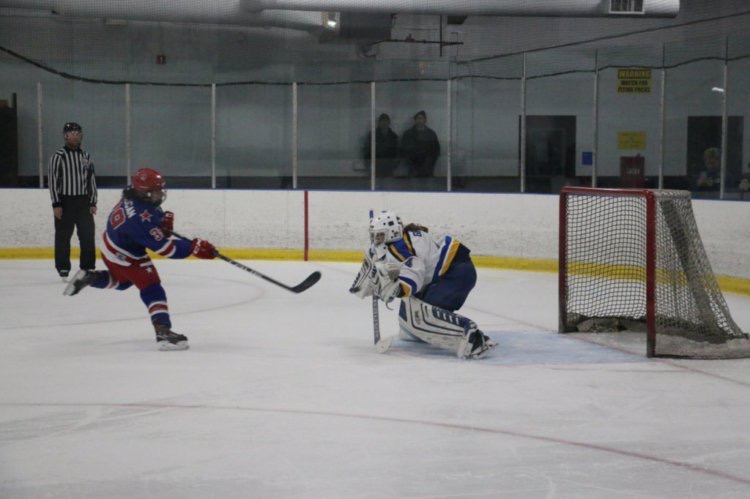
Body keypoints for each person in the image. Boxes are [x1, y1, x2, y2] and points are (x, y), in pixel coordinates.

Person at [62, 167, 218, 351]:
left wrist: (160, 224)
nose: (161, 193)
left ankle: (91, 278)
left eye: (161, 188)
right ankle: (163, 332)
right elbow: (166, 249)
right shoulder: (140, 219)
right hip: (126, 254)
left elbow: (151, 218)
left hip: (111, 246)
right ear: (144, 193)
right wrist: (193, 247)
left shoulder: (133, 196)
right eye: (156, 190)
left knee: (124, 282)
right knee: (152, 288)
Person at [349, 210, 496, 359]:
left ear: (392, 233)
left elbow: (412, 283)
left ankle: (472, 338)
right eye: (374, 235)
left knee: (421, 317)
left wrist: (390, 289)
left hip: (455, 276)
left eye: (380, 235)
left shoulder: (401, 249)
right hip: (455, 272)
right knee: (408, 322)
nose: (376, 239)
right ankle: (423, 332)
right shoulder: (404, 237)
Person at [48, 122, 97, 281]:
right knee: (63, 236)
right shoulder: (58, 156)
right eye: (72, 133)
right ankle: (63, 268)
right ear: (65, 136)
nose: (75, 136)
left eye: (77, 133)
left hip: (83, 202)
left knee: (87, 235)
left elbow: (91, 180)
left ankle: (87, 267)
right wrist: (56, 204)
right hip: (65, 201)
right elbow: (53, 181)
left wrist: (92, 202)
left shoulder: (86, 156)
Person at [400, 110, 440, 178]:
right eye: (418, 118)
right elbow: (403, 149)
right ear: (415, 120)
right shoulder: (408, 134)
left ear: (425, 120)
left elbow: (436, 150)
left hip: (427, 167)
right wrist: (409, 161)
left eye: (421, 118)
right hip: (413, 166)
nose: (419, 120)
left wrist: (430, 162)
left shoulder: (431, 134)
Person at [362, 113, 399, 177]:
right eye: (382, 121)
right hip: (376, 166)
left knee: (388, 185)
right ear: (379, 122)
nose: (384, 123)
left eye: (386, 121)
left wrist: (394, 165)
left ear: (389, 122)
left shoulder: (393, 136)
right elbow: (367, 150)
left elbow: (397, 152)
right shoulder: (372, 135)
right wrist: (369, 164)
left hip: (389, 167)